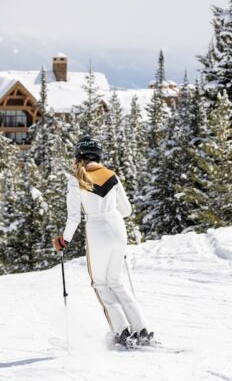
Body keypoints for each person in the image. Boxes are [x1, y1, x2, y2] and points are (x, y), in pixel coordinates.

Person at [53, 137, 154, 348]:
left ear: (78, 157)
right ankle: (142, 330)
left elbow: (74, 218)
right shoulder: (111, 175)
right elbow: (126, 210)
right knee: (116, 282)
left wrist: (64, 240)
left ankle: (122, 332)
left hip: (97, 230)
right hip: (118, 228)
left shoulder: (75, 180)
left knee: (100, 283)